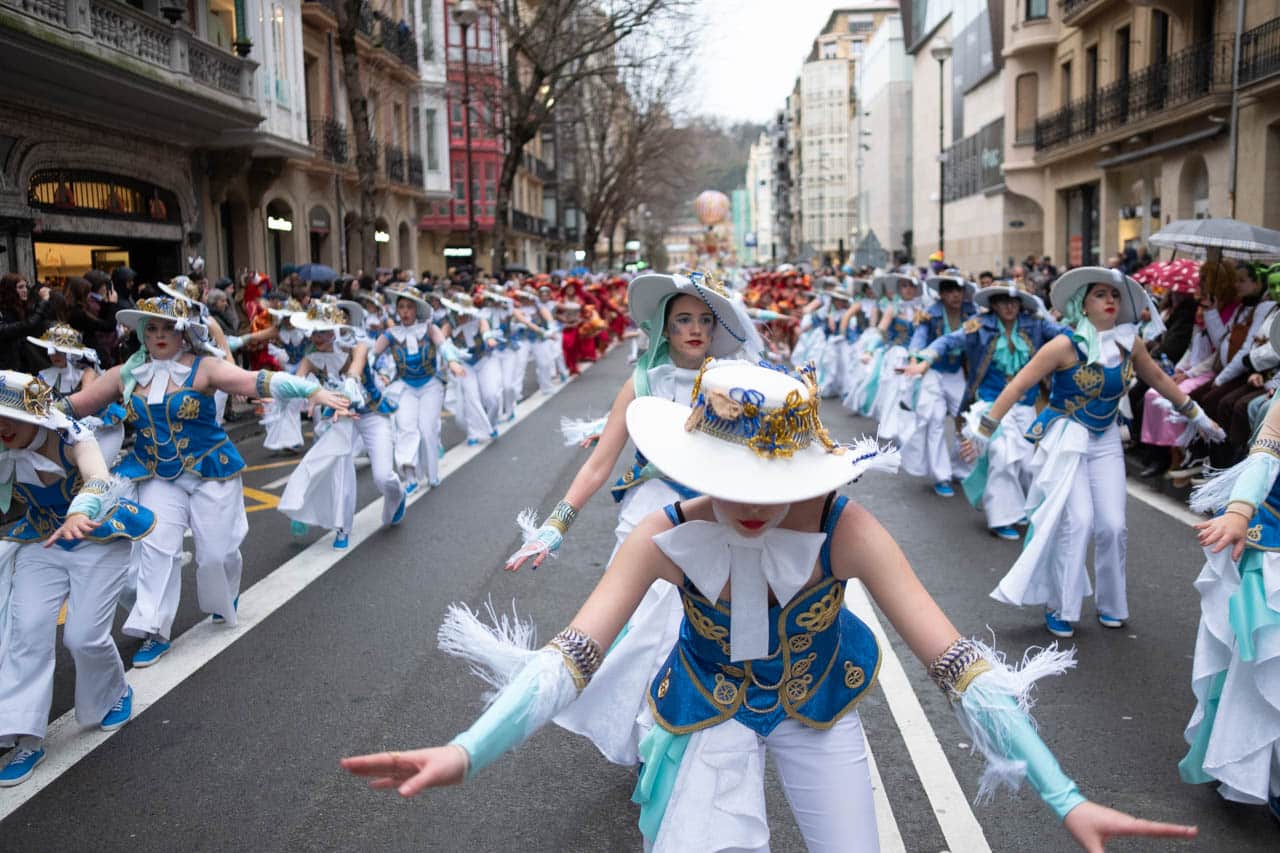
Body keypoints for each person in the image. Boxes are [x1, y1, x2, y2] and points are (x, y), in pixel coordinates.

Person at [342, 359, 1199, 853]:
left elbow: (956, 664)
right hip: (705, 713)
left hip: (819, 709)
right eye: (729, 479)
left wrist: (1064, 795)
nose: (748, 505)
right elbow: (571, 657)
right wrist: (469, 749)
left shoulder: (846, 528)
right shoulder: (662, 537)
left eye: (770, 481)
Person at [65, 297, 349, 665]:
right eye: (152, 328)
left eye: (168, 328)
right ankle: (154, 629)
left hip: (210, 470)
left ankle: (223, 595)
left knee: (216, 553)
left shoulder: (204, 368)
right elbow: (77, 405)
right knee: (155, 549)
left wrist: (312, 391)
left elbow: (257, 381)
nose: (160, 335)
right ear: (142, 334)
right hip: (155, 474)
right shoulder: (126, 374)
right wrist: (26, 409)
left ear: (184, 333)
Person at [980, 268, 1225, 638]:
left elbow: (1159, 379)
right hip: (1068, 438)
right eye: (1100, 294)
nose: (1110, 300)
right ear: (1083, 304)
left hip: (1107, 438)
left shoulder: (1129, 342)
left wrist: (1198, 416)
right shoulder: (1063, 345)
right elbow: (1018, 386)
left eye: (1114, 294)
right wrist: (985, 430)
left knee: (1113, 526)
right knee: (1078, 522)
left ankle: (1111, 605)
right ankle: (1059, 606)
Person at [0, 371, 154, 787]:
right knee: (27, 633)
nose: (3, 427)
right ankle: (24, 737)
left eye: (10, 417)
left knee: (83, 637)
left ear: (36, 415)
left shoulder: (72, 436)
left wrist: (80, 511)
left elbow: (98, 476)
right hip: (42, 542)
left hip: (97, 537)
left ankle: (115, 692)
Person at [1187, 329, 1280, 815]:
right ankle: (1263, 772)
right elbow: (1264, 458)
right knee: (1267, 661)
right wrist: (1240, 511)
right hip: (1275, 539)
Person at [906, 282, 1070, 538]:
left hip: (1025, 404)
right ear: (993, 304)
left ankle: (1023, 508)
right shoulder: (979, 326)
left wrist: (1095, 337)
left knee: (1027, 464)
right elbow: (948, 341)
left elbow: (1068, 336)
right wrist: (924, 359)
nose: (1009, 307)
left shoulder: (1036, 324)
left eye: (1014, 302)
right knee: (1001, 453)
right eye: (1003, 302)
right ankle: (1001, 517)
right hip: (990, 404)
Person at [279, 301, 404, 549]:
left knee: (383, 476)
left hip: (371, 413)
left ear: (336, 330)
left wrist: (350, 384)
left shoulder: (358, 345)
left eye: (323, 331)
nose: (317, 337)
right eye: (314, 332)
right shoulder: (311, 359)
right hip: (342, 418)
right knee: (333, 468)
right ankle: (340, 527)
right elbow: (295, 383)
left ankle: (397, 495)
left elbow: (356, 369)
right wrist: (274, 395)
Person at [367, 286, 464, 492]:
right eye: (401, 307)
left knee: (428, 430)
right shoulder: (391, 334)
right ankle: (410, 477)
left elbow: (443, 345)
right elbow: (372, 355)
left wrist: (453, 361)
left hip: (430, 385)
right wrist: (372, 370)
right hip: (404, 386)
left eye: (409, 307)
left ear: (417, 309)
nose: (405, 311)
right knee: (405, 428)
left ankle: (432, 474)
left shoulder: (429, 328)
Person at [899, 272, 977, 497]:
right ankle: (941, 476)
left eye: (958, 290)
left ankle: (960, 468)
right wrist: (914, 360)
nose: (955, 295)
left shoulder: (972, 314)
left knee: (967, 420)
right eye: (950, 291)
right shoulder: (930, 313)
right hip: (933, 372)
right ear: (941, 294)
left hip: (958, 374)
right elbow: (919, 338)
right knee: (934, 421)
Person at [27, 323, 127, 464]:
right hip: (60, 428)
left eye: (60, 351)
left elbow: (86, 402)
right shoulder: (43, 376)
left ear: (71, 353)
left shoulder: (86, 373)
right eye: (52, 350)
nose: (55, 355)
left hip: (94, 427)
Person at [0, 273, 52, 373]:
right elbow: (27, 325)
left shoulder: (21, 308)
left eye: (25, 287)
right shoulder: (3, 312)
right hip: (7, 369)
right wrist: (44, 301)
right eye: (20, 287)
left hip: (22, 365)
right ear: (9, 290)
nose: (25, 290)